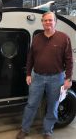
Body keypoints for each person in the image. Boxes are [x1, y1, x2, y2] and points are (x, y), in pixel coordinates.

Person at [16, 11, 73, 139]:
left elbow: (69, 60)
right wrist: (28, 74)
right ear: (42, 22)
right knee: (31, 104)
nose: (48, 22)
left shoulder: (64, 38)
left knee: (53, 106)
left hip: (56, 78)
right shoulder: (37, 38)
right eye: (45, 20)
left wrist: (68, 78)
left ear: (55, 22)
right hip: (37, 77)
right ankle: (24, 129)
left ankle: (47, 131)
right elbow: (30, 57)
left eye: (50, 20)